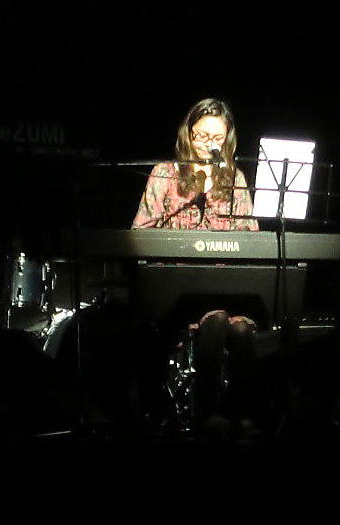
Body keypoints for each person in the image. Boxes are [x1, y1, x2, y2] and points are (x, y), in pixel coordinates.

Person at [132, 98, 267, 440]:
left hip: (224, 284)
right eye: (202, 136)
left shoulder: (234, 178)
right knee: (216, 319)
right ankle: (207, 415)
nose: (209, 144)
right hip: (179, 288)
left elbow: (251, 236)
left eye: (217, 137)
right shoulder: (165, 174)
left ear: (228, 139)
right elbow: (140, 233)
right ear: (188, 134)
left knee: (241, 330)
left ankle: (240, 416)